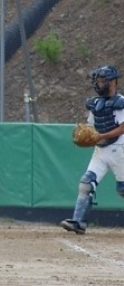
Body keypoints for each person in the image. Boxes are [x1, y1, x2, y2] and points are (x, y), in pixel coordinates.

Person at [60, 65, 124, 235]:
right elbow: (91, 127)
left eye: (103, 81)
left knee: (123, 189)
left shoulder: (120, 102)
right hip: (101, 151)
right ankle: (78, 222)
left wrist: (101, 136)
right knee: (86, 183)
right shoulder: (96, 103)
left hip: (119, 150)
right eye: (99, 81)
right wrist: (84, 133)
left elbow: (122, 127)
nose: (100, 84)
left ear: (114, 82)